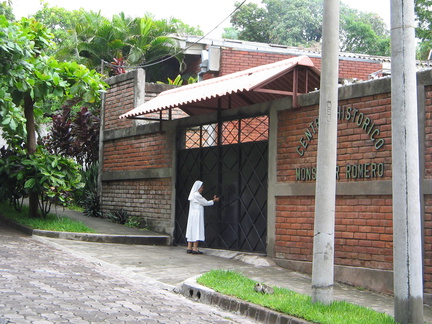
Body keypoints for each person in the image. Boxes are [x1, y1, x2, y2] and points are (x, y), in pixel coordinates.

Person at [185, 180, 219, 254]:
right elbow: (205, 202)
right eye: (201, 187)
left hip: (192, 215)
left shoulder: (192, 195)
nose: (202, 189)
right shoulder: (197, 195)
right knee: (197, 229)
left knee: (191, 229)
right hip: (197, 215)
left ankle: (189, 247)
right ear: (198, 187)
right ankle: (195, 248)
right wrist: (213, 200)